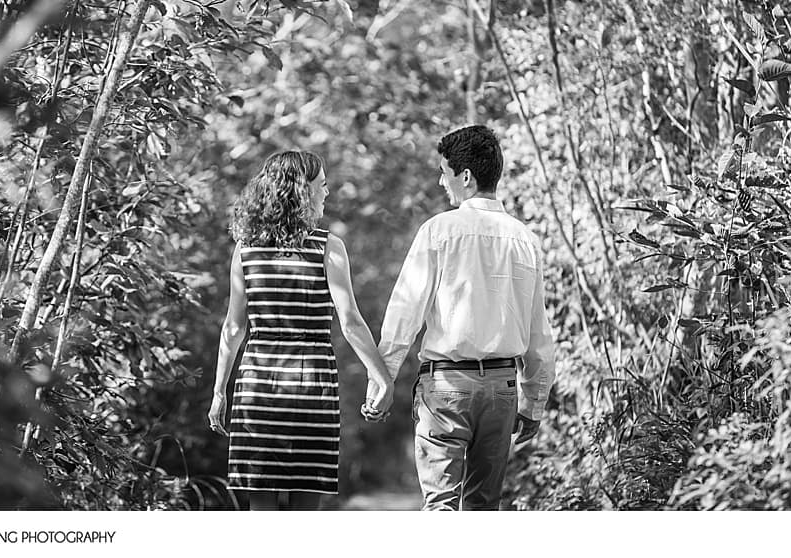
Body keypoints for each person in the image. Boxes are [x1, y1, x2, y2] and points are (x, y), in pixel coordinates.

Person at [364, 124, 555, 510]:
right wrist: (532, 403)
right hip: (502, 390)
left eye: (444, 171)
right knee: (484, 508)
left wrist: (380, 385)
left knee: (442, 508)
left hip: (447, 386)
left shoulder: (438, 231)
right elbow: (538, 334)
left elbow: (405, 314)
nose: (440, 180)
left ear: (465, 177)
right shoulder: (525, 240)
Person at [208, 150, 393, 510]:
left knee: (259, 511)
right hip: (311, 384)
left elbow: (233, 328)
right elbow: (351, 321)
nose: (327, 193)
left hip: (257, 386)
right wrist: (382, 378)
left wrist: (219, 391)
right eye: (322, 186)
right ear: (303, 191)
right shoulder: (328, 248)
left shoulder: (245, 249)